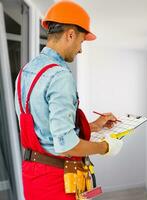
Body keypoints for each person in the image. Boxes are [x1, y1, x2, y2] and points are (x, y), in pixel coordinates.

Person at [14, 1, 123, 199]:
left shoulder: (25, 72)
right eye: (81, 41)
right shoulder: (59, 75)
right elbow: (67, 145)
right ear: (70, 34)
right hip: (57, 180)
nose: (80, 50)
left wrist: (94, 126)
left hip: (33, 174)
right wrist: (106, 148)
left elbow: (46, 130)